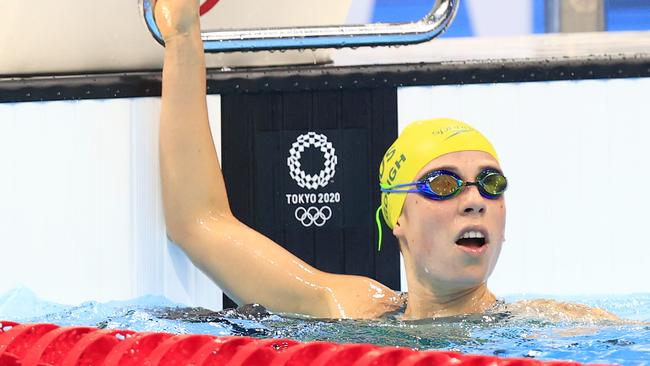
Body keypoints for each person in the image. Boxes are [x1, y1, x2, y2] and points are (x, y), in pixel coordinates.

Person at [155, 0, 619, 321]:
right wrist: (181, 35)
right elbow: (199, 223)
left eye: (491, 184)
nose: (475, 200)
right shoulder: (346, 305)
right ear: (398, 217)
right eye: (443, 184)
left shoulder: (553, 325)